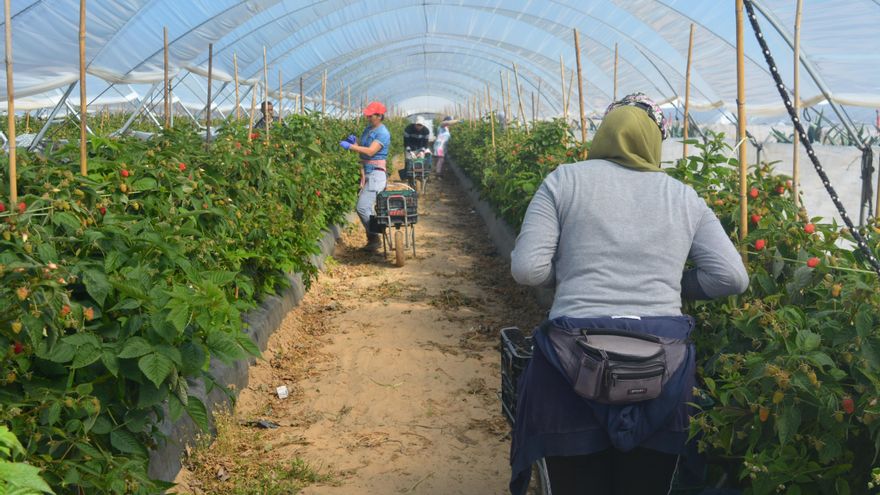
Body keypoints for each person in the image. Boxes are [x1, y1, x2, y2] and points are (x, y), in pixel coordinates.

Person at [508, 93, 749, 495]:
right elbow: (731, 277)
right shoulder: (682, 196)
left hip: (572, 361)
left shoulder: (565, 180)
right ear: (656, 141)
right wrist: (673, 285)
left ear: (602, 133)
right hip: (661, 368)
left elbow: (527, 270)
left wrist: (571, 274)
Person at [340, 101, 391, 252]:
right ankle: (373, 239)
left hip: (376, 173)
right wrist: (355, 141)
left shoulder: (383, 133)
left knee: (362, 207)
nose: (368, 118)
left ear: (379, 116)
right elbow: (363, 148)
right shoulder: (369, 129)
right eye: (368, 115)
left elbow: (370, 151)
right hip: (367, 172)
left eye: (371, 115)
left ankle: (375, 237)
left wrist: (351, 147)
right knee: (366, 207)